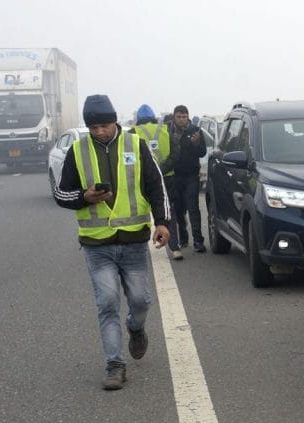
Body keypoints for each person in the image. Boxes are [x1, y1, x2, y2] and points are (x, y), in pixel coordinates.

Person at [54, 94, 171, 390]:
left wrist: (162, 222)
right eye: (94, 128)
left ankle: (136, 328)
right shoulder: (77, 151)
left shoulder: (135, 144)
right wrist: (84, 196)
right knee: (107, 302)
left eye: (104, 126)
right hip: (97, 245)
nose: (100, 132)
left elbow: (156, 185)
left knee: (140, 301)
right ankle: (115, 364)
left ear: (115, 121)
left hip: (133, 242)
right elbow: (61, 194)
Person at [132, 104, 184, 260]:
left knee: (139, 212)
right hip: (167, 178)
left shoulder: (133, 133)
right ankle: (175, 249)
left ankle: (136, 250)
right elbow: (176, 154)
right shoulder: (166, 131)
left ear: (138, 119)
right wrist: (161, 170)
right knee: (169, 212)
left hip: (142, 180)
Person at [167, 105, 207, 252]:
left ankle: (198, 241)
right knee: (178, 210)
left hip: (191, 176)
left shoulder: (195, 130)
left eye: (184, 117)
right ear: (174, 117)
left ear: (188, 117)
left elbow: (202, 152)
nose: (181, 120)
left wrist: (196, 144)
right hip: (174, 176)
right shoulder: (168, 131)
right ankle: (183, 237)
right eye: (179, 117)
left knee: (193, 208)